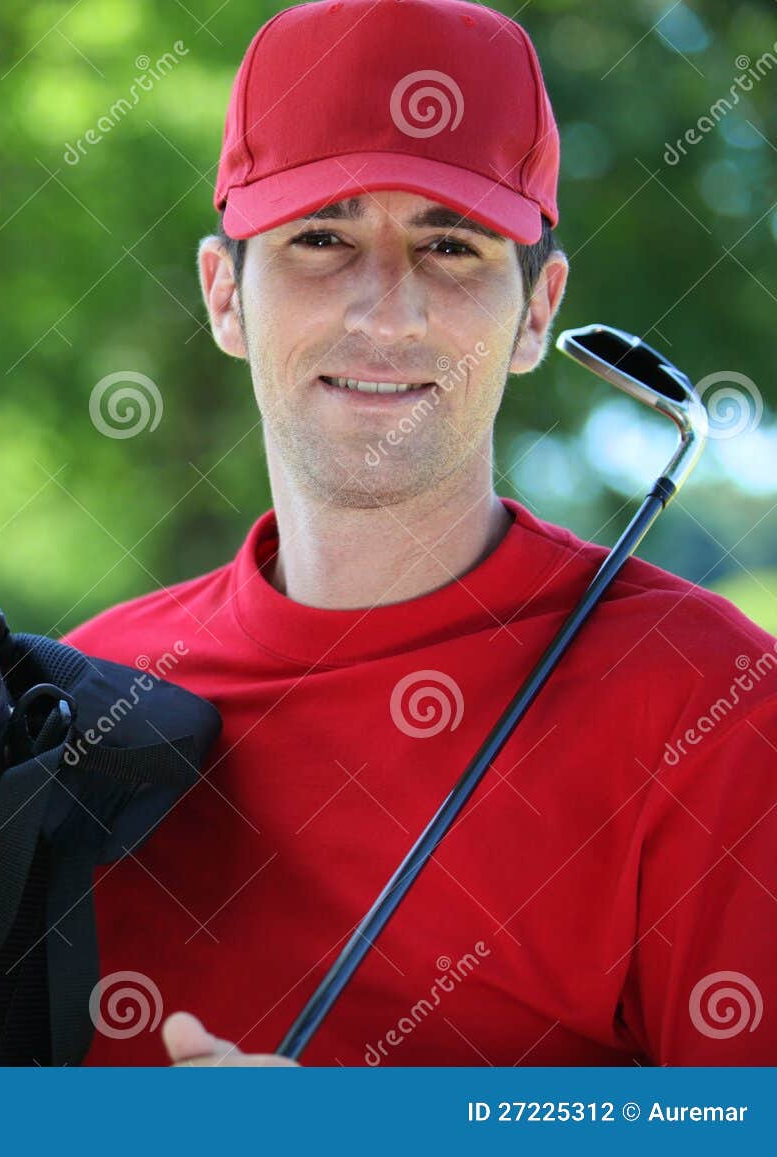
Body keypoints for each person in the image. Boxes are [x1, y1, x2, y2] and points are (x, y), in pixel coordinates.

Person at [66, 0, 777, 1066]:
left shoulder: (711, 703)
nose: (386, 311)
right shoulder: (82, 695)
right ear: (224, 295)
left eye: (450, 245)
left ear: (536, 310)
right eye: (321, 239)